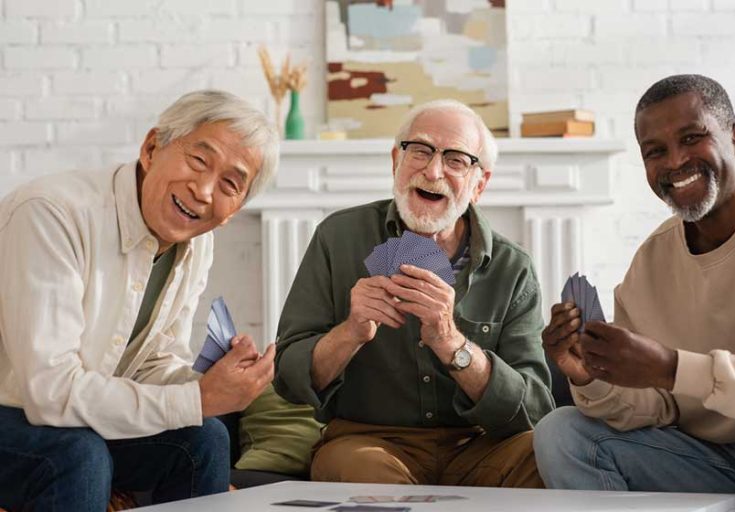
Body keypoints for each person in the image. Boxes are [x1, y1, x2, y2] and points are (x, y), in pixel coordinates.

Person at [0, 90, 279, 511]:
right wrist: (196, 399)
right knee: (77, 454)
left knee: (202, 438)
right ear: (152, 148)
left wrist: (215, 384)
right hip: (17, 412)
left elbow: (151, 363)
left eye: (229, 183)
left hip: (72, 420)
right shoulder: (51, 214)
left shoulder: (195, 242)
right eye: (199, 161)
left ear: (235, 207)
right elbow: (50, 393)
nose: (204, 191)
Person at [274, 99, 554, 487]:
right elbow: (288, 378)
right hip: (368, 442)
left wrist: (451, 342)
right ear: (395, 161)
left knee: (547, 456)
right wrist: (351, 331)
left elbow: (534, 409)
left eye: (456, 160)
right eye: (420, 151)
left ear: (479, 184)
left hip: (481, 446)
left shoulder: (513, 267)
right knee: (363, 472)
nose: (433, 170)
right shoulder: (337, 237)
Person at [534, 74, 735, 511]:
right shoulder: (651, 262)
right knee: (561, 432)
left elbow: (670, 375)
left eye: (692, 137)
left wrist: (673, 368)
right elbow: (652, 406)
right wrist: (588, 374)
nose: (675, 161)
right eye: (655, 151)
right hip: (705, 462)